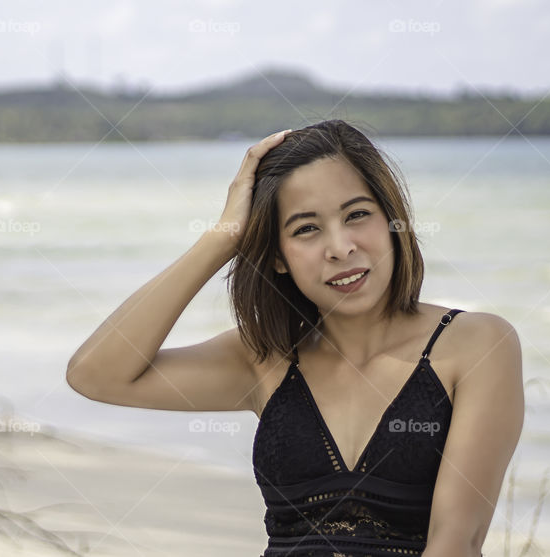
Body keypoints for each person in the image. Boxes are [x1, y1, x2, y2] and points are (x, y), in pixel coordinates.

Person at [66, 119, 524, 557]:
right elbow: (97, 375)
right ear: (278, 257)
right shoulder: (262, 359)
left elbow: (455, 544)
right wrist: (223, 237)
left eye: (357, 215)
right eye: (306, 229)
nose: (341, 247)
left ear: (391, 221)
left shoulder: (477, 345)